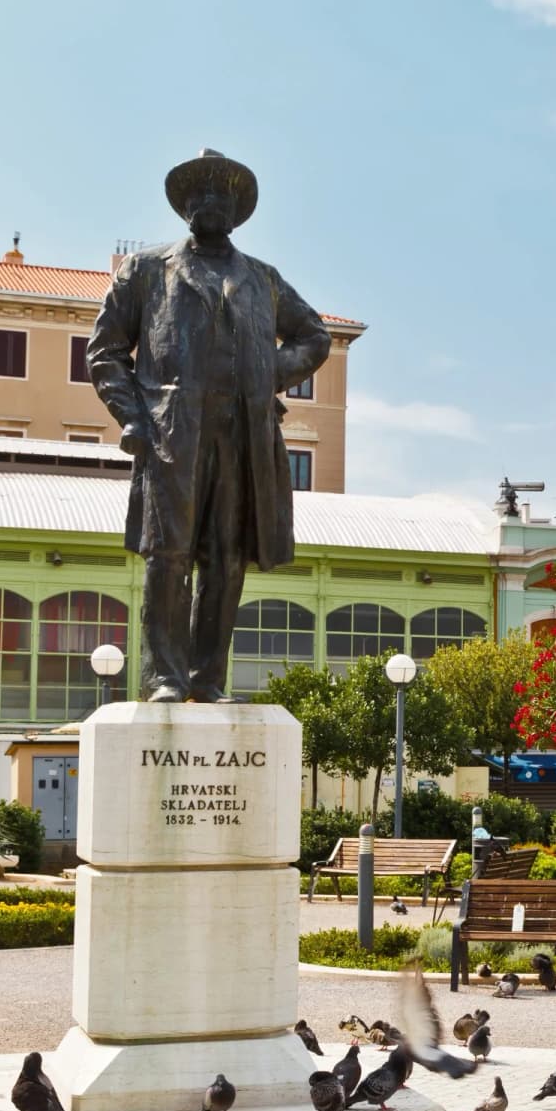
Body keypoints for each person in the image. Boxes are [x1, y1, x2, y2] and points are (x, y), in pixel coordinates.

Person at [87, 149, 331, 702]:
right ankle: (165, 678)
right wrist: (132, 416)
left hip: (242, 433)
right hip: (172, 432)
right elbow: (104, 353)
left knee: (227, 558)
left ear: (237, 209)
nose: (210, 203)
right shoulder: (147, 270)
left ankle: (207, 678)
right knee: (168, 555)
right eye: (200, 194)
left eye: (222, 195)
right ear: (186, 206)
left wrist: (267, 372)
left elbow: (315, 336)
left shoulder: (262, 280)